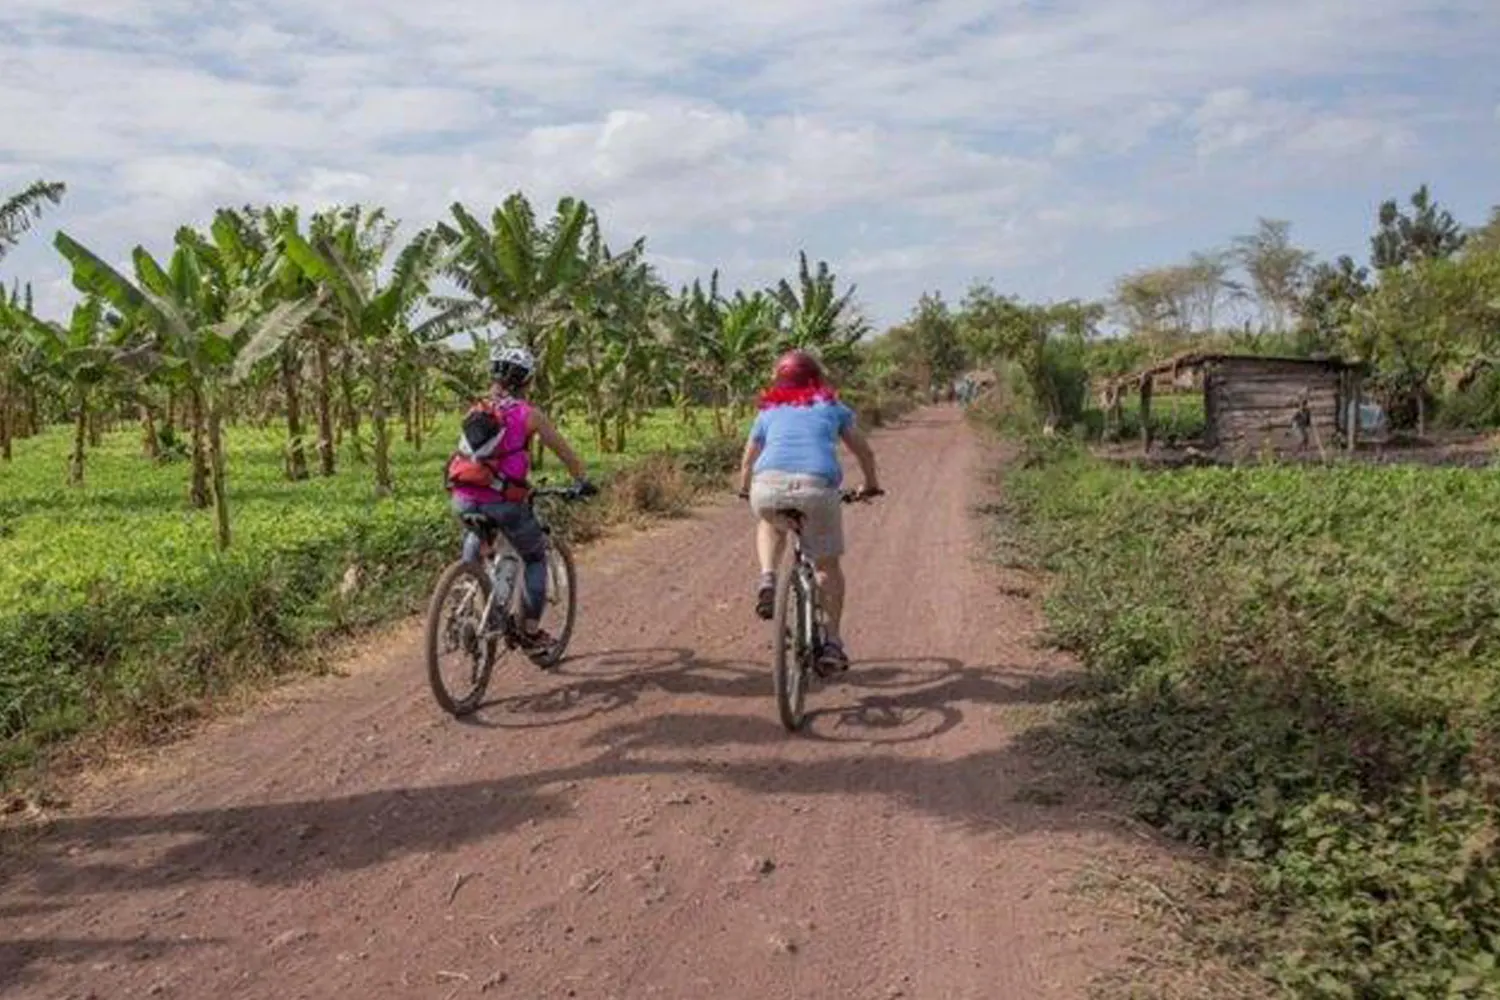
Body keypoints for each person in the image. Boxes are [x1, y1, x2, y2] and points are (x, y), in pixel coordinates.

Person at [737, 349, 882, 671]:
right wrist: (870, 484)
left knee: (770, 522)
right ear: (817, 377)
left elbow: (749, 457)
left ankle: (768, 579)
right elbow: (864, 452)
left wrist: (745, 487)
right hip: (817, 489)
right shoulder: (833, 407)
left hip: (768, 486)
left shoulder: (769, 410)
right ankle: (831, 643)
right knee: (827, 565)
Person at [446, 344, 595, 655]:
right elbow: (565, 453)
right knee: (535, 556)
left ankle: (463, 603)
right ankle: (529, 633)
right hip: (504, 502)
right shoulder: (529, 415)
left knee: (476, 536)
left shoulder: (476, 410)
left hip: (462, 497)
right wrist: (581, 480)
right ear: (527, 380)